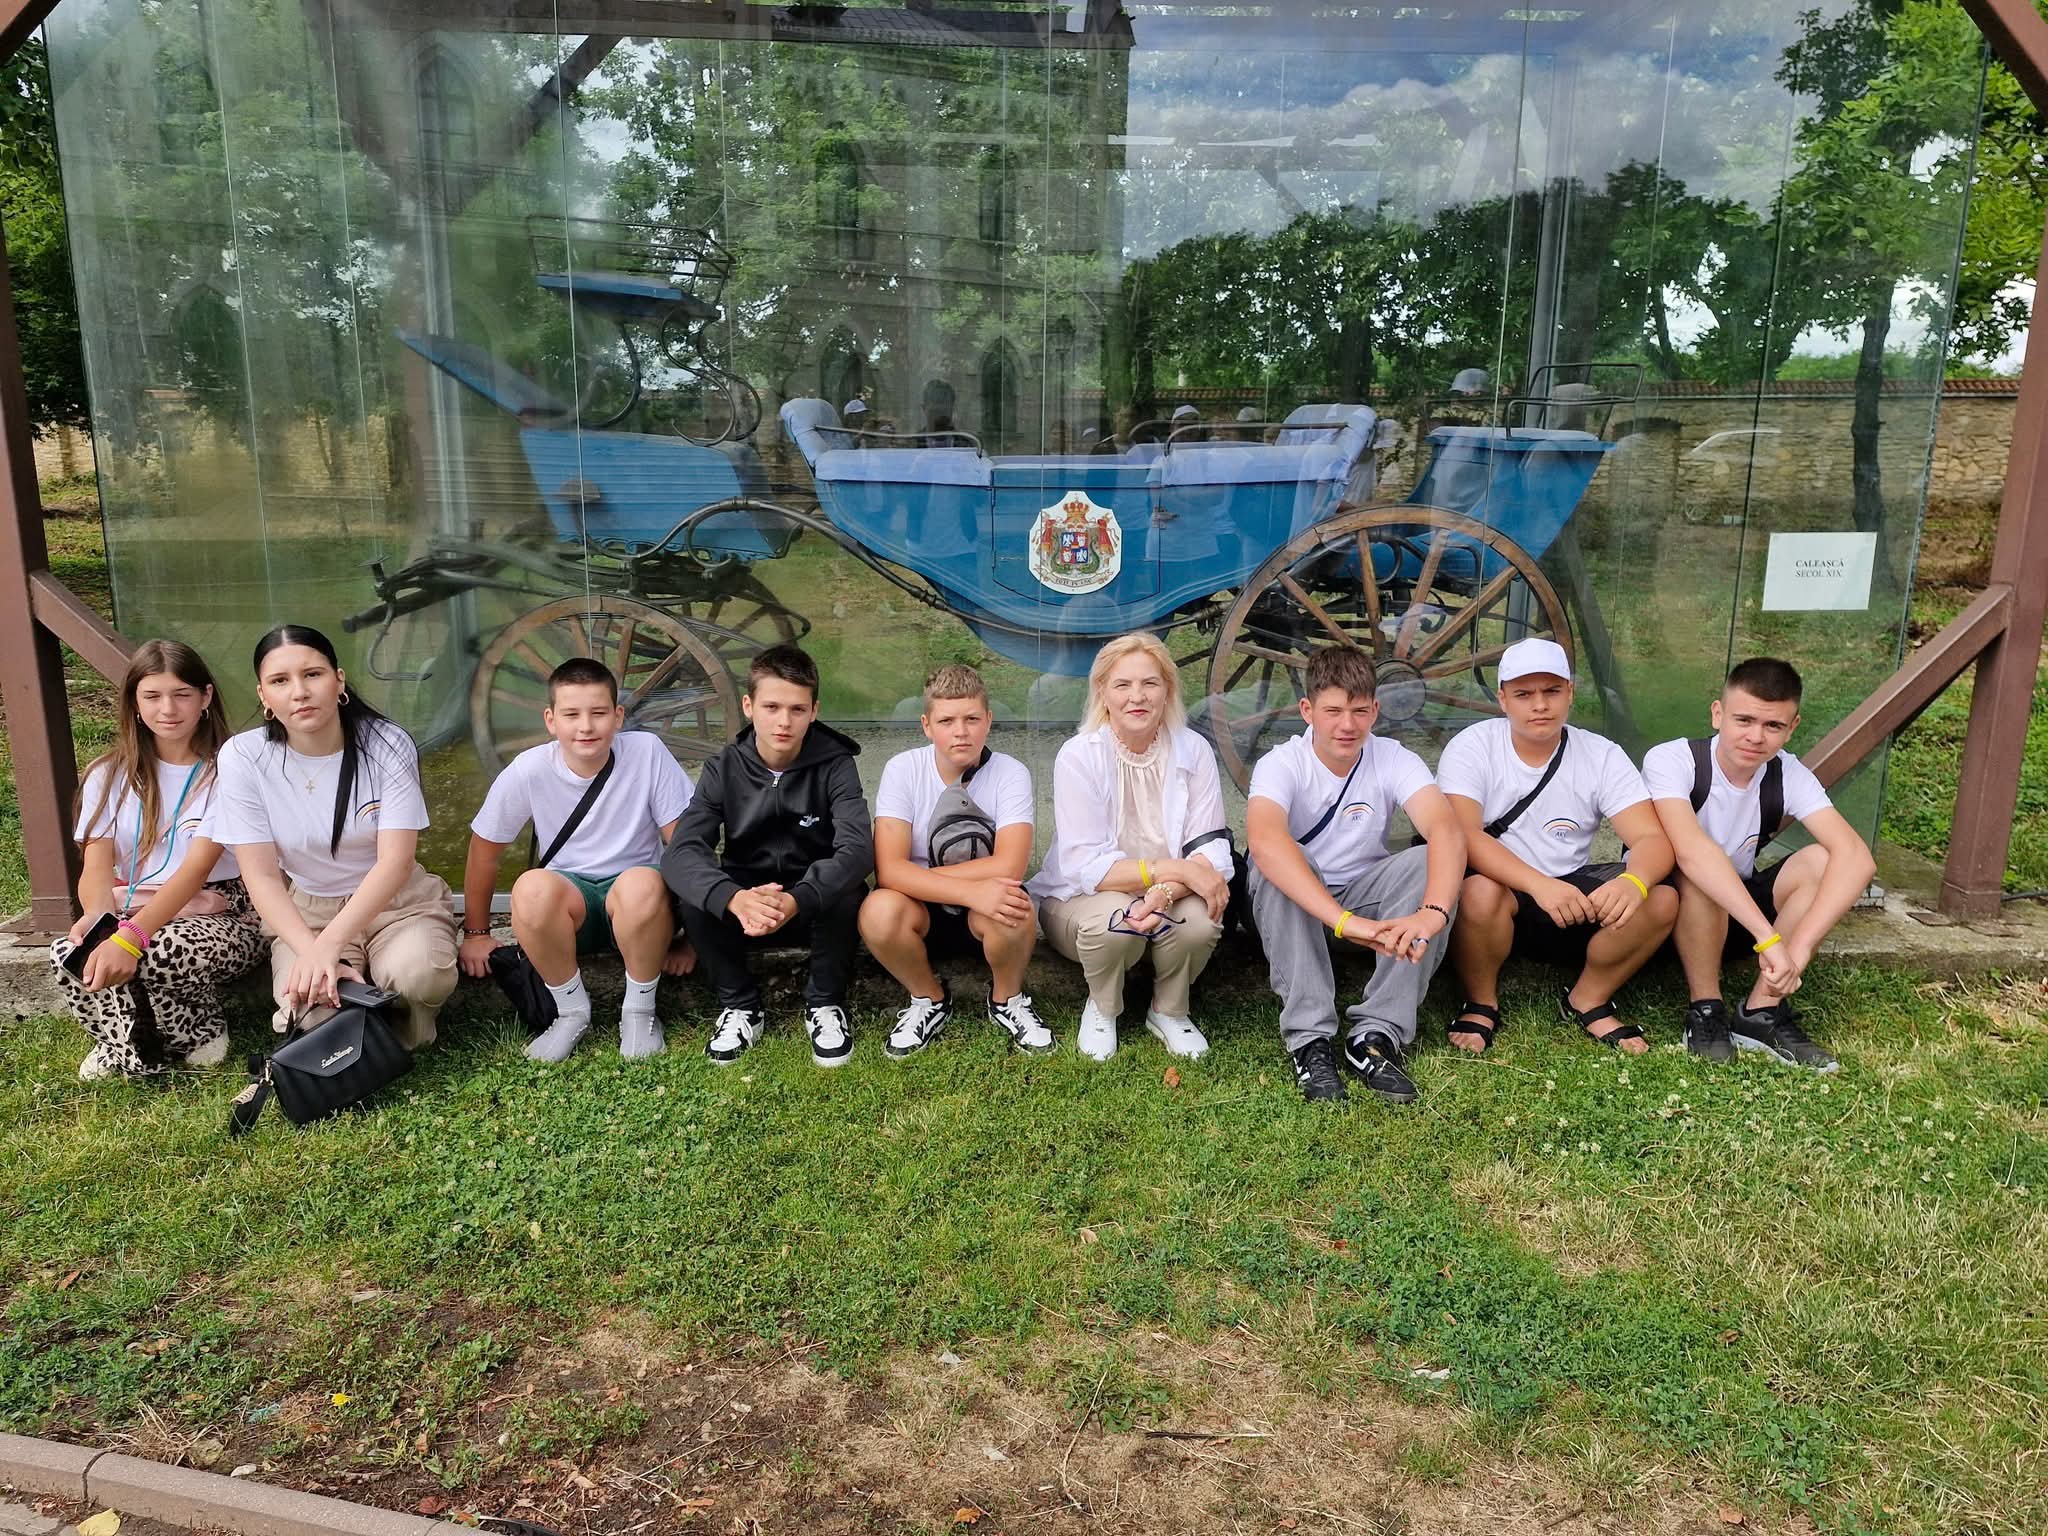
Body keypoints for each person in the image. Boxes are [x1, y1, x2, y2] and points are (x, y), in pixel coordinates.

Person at [210, 625, 458, 1049]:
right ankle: (355, 1029)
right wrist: (314, 950)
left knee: (418, 974)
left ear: (339, 680)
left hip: (397, 903)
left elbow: (395, 862)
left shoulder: (386, 743)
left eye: (313, 674)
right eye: (280, 681)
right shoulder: (243, 756)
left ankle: (404, 1029)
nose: (299, 692)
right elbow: (261, 876)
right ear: (263, 696)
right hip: (309, 911)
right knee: (309, 1008)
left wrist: (330, 947)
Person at [1246, 645, 1467, 1104]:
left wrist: (1433, 912)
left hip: (1363, 897)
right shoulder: (1280, 763)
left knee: (1425, 859)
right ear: (1307, 710)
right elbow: (1264, 841)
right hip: (1297, 909)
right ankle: (1310, 1039)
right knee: (1282, 860)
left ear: (1376, 711)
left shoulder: (1394, 757)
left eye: (1359, 711)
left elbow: (1445, 829)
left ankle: (1376, 1034)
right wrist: (1344, 922)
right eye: (1333, 711)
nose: (1347, 725)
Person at [1436, 637, 1676, 1056]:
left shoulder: (1601, 754)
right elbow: (1464, 835)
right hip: (1504, 888)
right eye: (1523, 694)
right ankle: (1481, 1002)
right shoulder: (1472, 746)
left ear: (1570, 693)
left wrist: (1634, 881)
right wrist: (1539, 885)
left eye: (1551, 691)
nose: (1540, 705)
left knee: (1662, 899)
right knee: (1477, 891)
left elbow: (1651, 838)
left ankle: (1589, 997)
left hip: (1571, 892)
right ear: (1502, 699)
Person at [459, 657, 697, 1064]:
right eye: (571, 715)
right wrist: (477, 933)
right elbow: (484, 851)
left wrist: (692, 938)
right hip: (572, 908)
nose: (586, 726)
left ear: (618, 716)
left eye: (598, 713)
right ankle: (570, 1013)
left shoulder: (647, 752)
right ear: (551, 720)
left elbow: (685, 846)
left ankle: (640, 1013)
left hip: (640, 908)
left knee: (641, 884)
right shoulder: (530, 769)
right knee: (530, 888)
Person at [50, 641, 269, 1079]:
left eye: (181, 694)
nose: (167, 709)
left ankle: (198, 1029)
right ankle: (122, 1042)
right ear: (134, 702)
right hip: (134, 900)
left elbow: (196, 869)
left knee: (162, 949)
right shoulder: (108, 774)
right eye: (152, 696)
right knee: (70, 951)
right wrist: (99, 920)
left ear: (205, 697)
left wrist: (131, 936)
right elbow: (97, 866)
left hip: (223, 907)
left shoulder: (229, 770)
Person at [1644, 657, 1873, 1071]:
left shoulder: (1788, 773)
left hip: (1739, 916)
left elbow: (1856, 857)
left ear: (1792, 727)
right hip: (1666, 916)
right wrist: (1769, 940)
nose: (1755, 737)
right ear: (1718, 714)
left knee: (1824, 861)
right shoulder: (1673, 760)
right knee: (1699, 868)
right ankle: (1706, 1009)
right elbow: (1693, 852)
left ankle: (1761, 1010)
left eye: (1773, 726)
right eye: (1744, 720)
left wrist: (1797, 950)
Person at [661, 645, 873, 1067]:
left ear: (814, 711)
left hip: (811, 905)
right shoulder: (723, 767)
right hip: (746, 906)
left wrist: (800, 898)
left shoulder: (837, 765)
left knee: (847, 890)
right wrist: (732, 898)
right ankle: (740, 1006)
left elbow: (857, 848)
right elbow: (682, 851)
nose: (783, 721)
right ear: (748, 706)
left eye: (797, 709)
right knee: (696, 897)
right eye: (771, 707)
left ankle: (825, 1003)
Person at [1029, 632, 1232, 1063]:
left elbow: (1211, 849)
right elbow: (1088, 867)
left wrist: (1165, 891)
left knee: (1200, 922)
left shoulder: (1194, 750)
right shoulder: (1078, 756)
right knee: (1115, 924)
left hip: (1167, 891)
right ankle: (1102, 1006)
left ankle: (1169, 1010)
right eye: (1122, 684)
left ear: (1167, 690)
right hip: (1083, 897)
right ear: (1102, 692)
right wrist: (1173, 871)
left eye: (1150, 683)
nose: (1137, 696)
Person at [860, 663, 1052, 1058]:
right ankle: (928, 998)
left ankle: (1007, 999)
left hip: (985, 907)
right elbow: (889, 870)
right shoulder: (903, 770)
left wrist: (923, 876)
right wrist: (968, 891)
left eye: (971, 719)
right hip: (921, 907)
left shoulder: (1010, 773)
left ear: (989, 721)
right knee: (877, 911)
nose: (960, 731)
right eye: (947, 721)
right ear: (927, 725)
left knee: (1015, 906)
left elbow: (1010, 866)